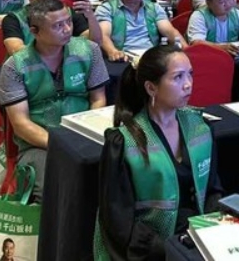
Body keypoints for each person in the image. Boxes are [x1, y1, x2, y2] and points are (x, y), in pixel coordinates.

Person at [94, 45, 222, 259]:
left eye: (190, 74)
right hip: (149, 248)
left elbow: (212, 190)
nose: (188, 84)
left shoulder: (200, 127)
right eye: (178, 77)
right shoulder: (125, 142)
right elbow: (118, 219)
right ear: (151, 88)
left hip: (197, 237)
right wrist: (164, 250)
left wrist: (210, 231)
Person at [0, 0, 108, 202]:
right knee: (57, 189)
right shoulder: (15, 66)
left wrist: (88, 135)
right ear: (35, 31)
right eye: (58, 25)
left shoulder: (89, 51)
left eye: (69, 22)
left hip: (85, 136)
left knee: (113, 181)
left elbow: (98, 100)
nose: (67, 29)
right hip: (39, 144)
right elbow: (21, 124)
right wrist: (61, 145)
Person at [2, 0, 102, 56]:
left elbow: (94, 43)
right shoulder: (14, 19)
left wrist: (90, 16)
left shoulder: (68, 12)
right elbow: (16, 51)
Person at [97, 0, 186, 61]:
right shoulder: (107, 8)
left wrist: (187, 50)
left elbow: (170, 31)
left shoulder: (154, 8)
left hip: (150, 58)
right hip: (123, 57)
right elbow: (103, 35)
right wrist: (113, 51)